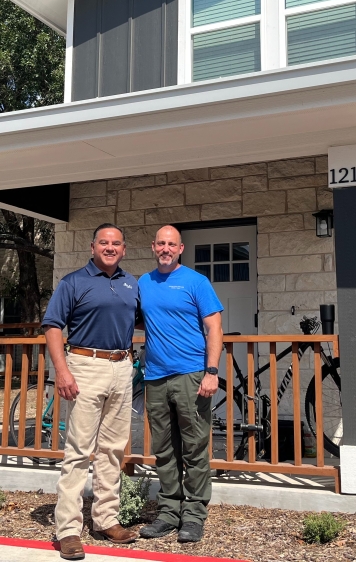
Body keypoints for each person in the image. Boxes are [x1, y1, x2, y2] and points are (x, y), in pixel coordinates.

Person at [41, 223, 140, 561]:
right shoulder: (73, 282)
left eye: (116, 243)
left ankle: (106, 519)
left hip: (122, 366)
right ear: (93, 247)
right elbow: (53, 326)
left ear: (123, 249)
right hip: (84, 365)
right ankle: (68, 529)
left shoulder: (131, 284)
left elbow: (146, 319)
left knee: (113, 449)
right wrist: (63, 371)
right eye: (104, 242)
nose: (110, 247)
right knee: (79, 450)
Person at [137, 225, 224, 544]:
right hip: (156, 377)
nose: (165, 249)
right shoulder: (143, 283)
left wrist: (211, 371)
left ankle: (194, 515)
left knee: (194, 448)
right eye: (161, 243)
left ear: (181, 248)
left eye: (171, 244)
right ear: (153, 246)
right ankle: (168, 512)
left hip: (192, 376)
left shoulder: (196, 282)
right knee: (163, 449)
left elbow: (214, 328)